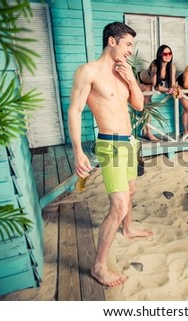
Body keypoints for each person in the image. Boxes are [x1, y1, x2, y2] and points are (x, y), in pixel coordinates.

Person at [68, 22, 153, 287]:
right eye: (128, 44)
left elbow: (139, 106)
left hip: (130, 143)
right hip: (110, 144)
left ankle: (128, 229)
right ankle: (99, 266)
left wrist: (130, 78)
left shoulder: (123, 73)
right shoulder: (88, 71)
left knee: (130, 191)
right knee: (118, 205)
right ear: (112, 41)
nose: (130, 50)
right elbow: (75, 110)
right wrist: (78, 151)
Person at [137, 44, 177, 141]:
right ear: (160, 54)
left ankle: (147, 132)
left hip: (149, 85)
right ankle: (143, 132)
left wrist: (174, 89)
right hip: (139, 81)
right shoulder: (155, 66)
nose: (168, 55)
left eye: (170, 53)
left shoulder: (172, 67)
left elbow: (172, 85)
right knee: (139, 106)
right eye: (165, 53)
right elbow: (156, 86)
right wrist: (168, 90)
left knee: (148, 108)